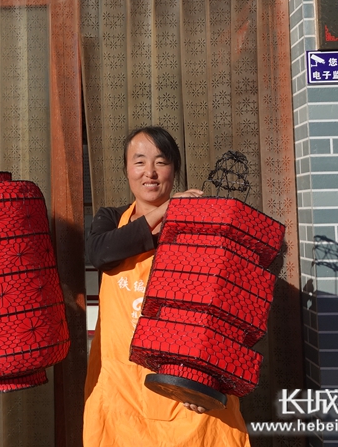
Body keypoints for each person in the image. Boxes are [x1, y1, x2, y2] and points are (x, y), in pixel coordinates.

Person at [83, 126, 250, 447]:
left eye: (161, 162)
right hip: (121, 390)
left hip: (185, 388)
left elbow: (226, 310)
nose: (150, 172)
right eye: (139, 162)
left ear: (174, 170)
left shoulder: (202, 225)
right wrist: (164, 211)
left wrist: (208, 385)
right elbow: (101, 253)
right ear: (126, 170)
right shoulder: (111, 219)